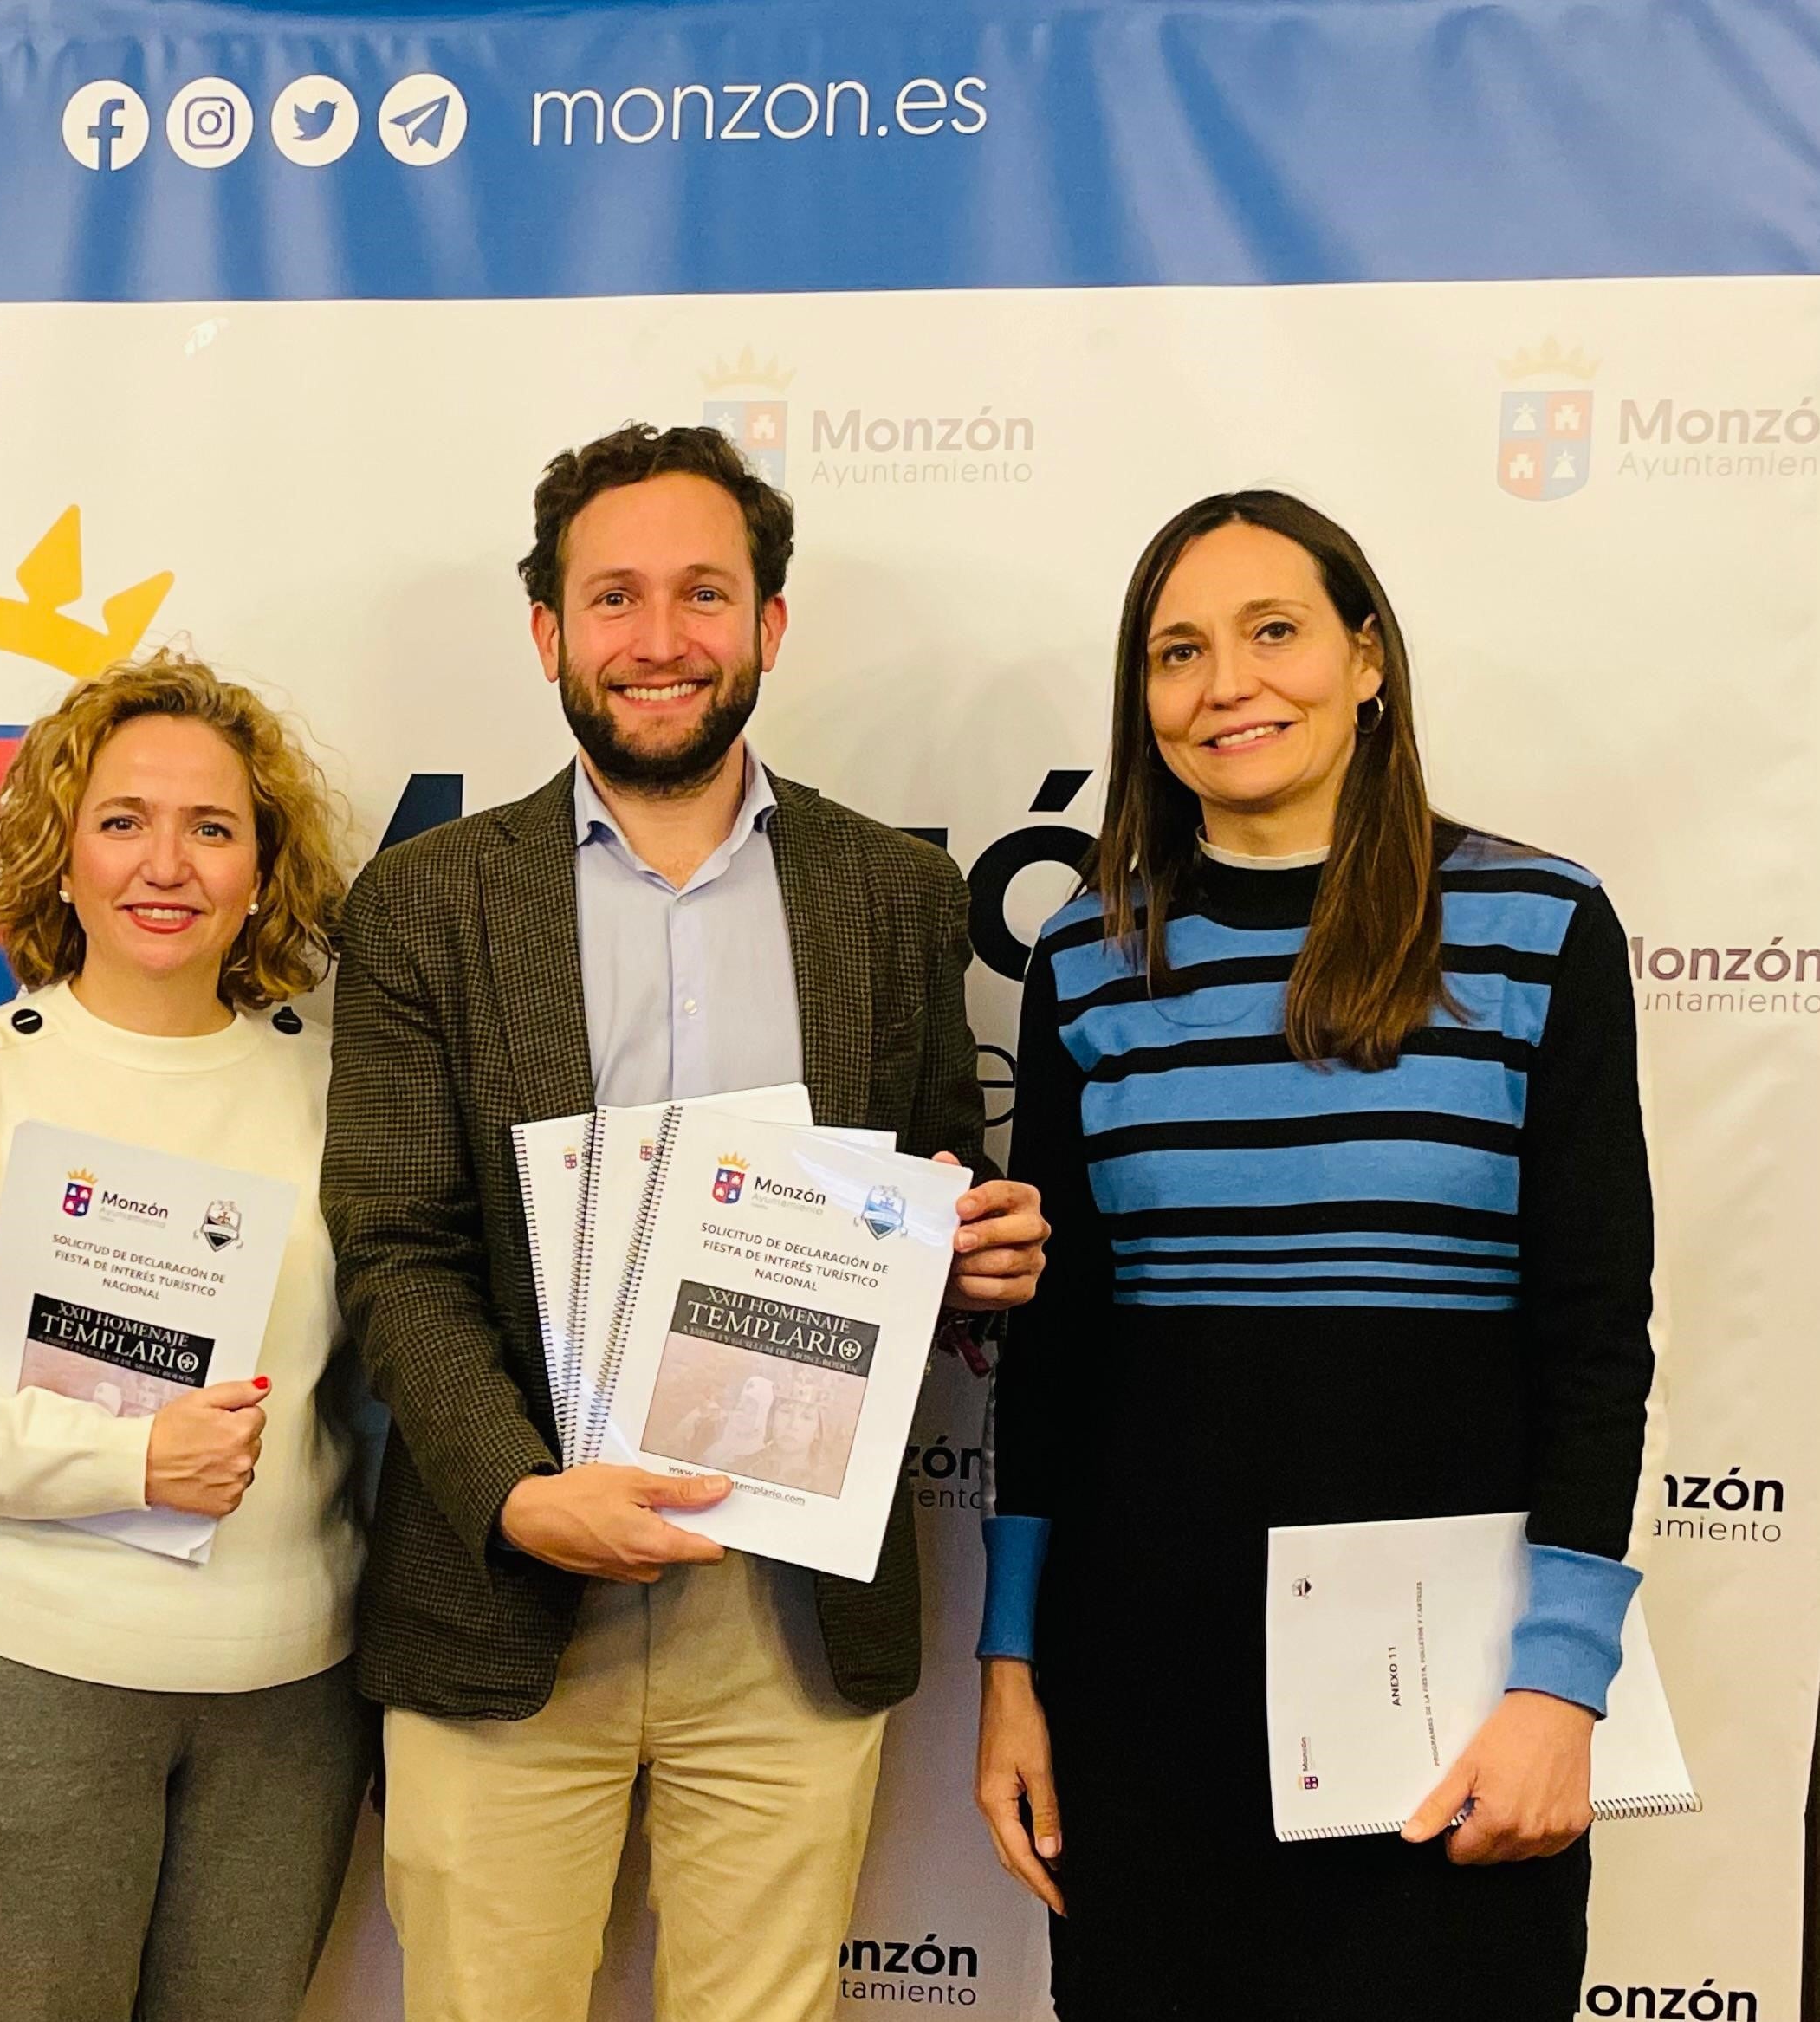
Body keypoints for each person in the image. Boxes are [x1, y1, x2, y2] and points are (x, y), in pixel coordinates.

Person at [321, 421, 1049, 2022]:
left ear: (768, 626)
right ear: (548, 634)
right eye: (614, 597)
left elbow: (913, 1207)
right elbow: (394, 1249)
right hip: (507, 1587)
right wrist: (522, 1494)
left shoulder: (889, 895)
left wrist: (968, 1257)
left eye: (703, 594)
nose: (659, 640)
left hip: (787, 1610)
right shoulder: (427, 902)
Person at [969, 491, 1654, 2019]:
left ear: (1365, 660)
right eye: (1177, 650)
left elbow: (1596, 1337)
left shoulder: (1537, 925)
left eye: (1272, 631)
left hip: (1449, 1692)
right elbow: (1062, 1354)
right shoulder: (1088, 954)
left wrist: (1559, 1679)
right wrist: (1011, 1659)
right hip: (1146, 1683)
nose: (1227, 683)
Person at [0, 651, 372, 2022]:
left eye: (212, 826)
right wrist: (127, 1458)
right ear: (61, 855)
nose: (164, 863)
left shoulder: (333, 1086)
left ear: (263, 867)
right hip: (24, 1684)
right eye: (123, 819)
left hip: (287, 1697)